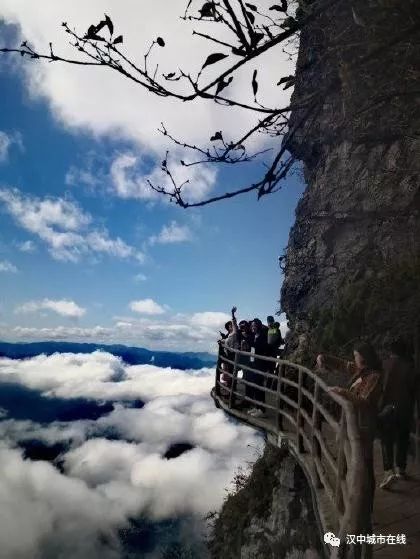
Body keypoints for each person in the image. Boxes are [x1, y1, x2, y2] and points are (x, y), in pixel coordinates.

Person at [316, 343, 382, 517]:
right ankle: (349, 501)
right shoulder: (360, 370)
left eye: (356, 356)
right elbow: (342, 364)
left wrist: (343, 393)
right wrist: (324, 358)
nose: (354, 359)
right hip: (353, 424)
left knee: (365, 467)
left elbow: (365, 401)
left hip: (365, 427)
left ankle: (366, 510)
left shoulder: (374, 377)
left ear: (364, 358)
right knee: (350, 462)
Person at [378, 339, 419, 489]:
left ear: (391, 352)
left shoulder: (384, 365)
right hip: (404, 409)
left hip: (387, 409)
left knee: (386, 440)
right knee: (403, 438)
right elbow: (415, 392)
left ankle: (389, 471)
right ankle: (401, 469)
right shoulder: (411, 368)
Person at [246, 318, 269, 418]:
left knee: (259, 386)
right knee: (254, 386)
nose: (252, 327)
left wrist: (253, 343)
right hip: (252, 363)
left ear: (258, 326)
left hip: (260, 365)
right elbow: (250, 344)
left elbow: (262, 348)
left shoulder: (263, 336)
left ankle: (262, 410)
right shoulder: (253, 336)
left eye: (254, 326)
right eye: (252, 326)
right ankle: (257, 406)